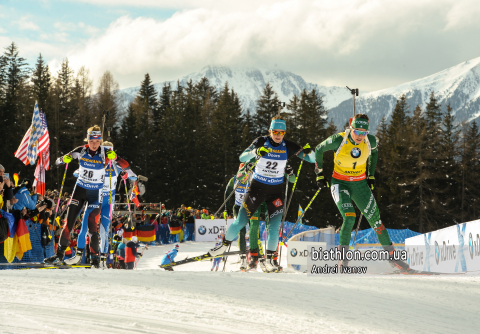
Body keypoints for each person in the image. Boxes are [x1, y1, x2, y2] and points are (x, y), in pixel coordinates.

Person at [209, 116, 314, 273]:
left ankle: (270, 260)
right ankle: (221, 248)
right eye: (275, 131)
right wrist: (255, 152)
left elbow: (311, 159)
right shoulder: (261, 141)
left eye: (282, 132)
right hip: (257, 189)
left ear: (285, 132)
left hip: (276, 192)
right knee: (240, 222)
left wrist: (309, 152)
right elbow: (242, 157)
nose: (278, 135)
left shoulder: (288, 146)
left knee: (273, 227)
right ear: (270, 131)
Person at [314, 114, 409, 272]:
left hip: (360, 184)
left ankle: (393, 259)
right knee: (349, 217)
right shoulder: (339, 140)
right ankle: (343, 260)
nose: (360, 136)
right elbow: (318, 149)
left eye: (364, 133)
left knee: (377, 222)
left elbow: (374, 154)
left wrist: (371, 175)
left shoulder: (370, 140)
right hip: (340, 182)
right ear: (351, 129)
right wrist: (320, 173)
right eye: (357, 132)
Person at [44, 125, 117, 267]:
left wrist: (114, 158)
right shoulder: (80, 150)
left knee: (92, 227)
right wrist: (63, 159)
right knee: (68, 223)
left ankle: (95, 259)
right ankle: (59, 255)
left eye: (97, 141)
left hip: (96, 193)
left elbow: (124, 164)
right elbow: (58, 161)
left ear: (100, 140)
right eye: (91, 141)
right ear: (87, 140)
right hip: (80, 191)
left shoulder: (105, 152)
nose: (94, 144)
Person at [73, 140, 137, 269]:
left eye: (110, 151)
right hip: (95, 198)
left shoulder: (116, 165)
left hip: (108, 201)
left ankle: (102, 258)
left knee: (104, 231)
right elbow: (76, 172)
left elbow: (134, 176)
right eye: (105, 151)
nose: (107, 154)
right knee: (85, 228)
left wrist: (126, 175)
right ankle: (80, 255)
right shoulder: (95, 162)